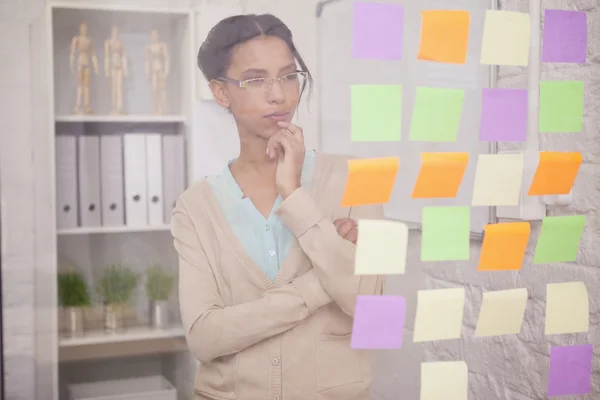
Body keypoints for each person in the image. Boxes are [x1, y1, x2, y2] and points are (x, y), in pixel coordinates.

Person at [171, 14, 385, 400]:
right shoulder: (195, 208)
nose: (279, 95)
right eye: (256, 80)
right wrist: (319, 285)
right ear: (221, 93)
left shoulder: (358, 178)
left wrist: (295, 195)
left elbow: (372, 308)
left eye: (289, 75)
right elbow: (204, 337)